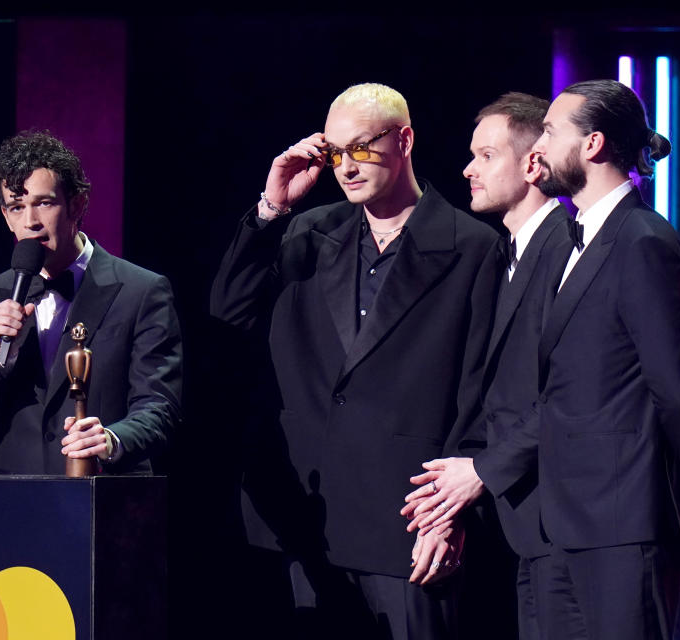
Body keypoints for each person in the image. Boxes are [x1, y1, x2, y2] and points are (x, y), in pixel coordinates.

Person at [405, 80, 680, 639]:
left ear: (592, 145)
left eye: (552, 132)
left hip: (623, 522)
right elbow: (570, 384)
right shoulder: (585, 239)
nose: (540, 147)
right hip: (565, 522)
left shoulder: (641, 240)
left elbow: (674, 385)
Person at [210, 83, 502, 638]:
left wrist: (451, 514)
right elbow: (229, 309)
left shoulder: (472, 247)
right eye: (335, 152)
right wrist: (272, 207)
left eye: (362, 147)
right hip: (308, 514)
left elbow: (482, 392)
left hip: (406, 517)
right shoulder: (307, 233)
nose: (346, 166)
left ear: (405, 140)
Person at [402, 92, 572, 640]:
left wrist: (480, 473)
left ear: (532, 164)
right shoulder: (505, 256)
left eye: (486, 155)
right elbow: (490, 394)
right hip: (525, 524)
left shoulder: (567, 251)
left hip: (568, 519)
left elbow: (570, 392)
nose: (467, 168)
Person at [0, 131, 182, 475]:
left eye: (44, 203)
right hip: (16, 505)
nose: (30, 221)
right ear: (6, 217)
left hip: (105, 502)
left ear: (77, 205)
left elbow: (160, 408)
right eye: (17, 207)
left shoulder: (142, 291)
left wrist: (111, 440)